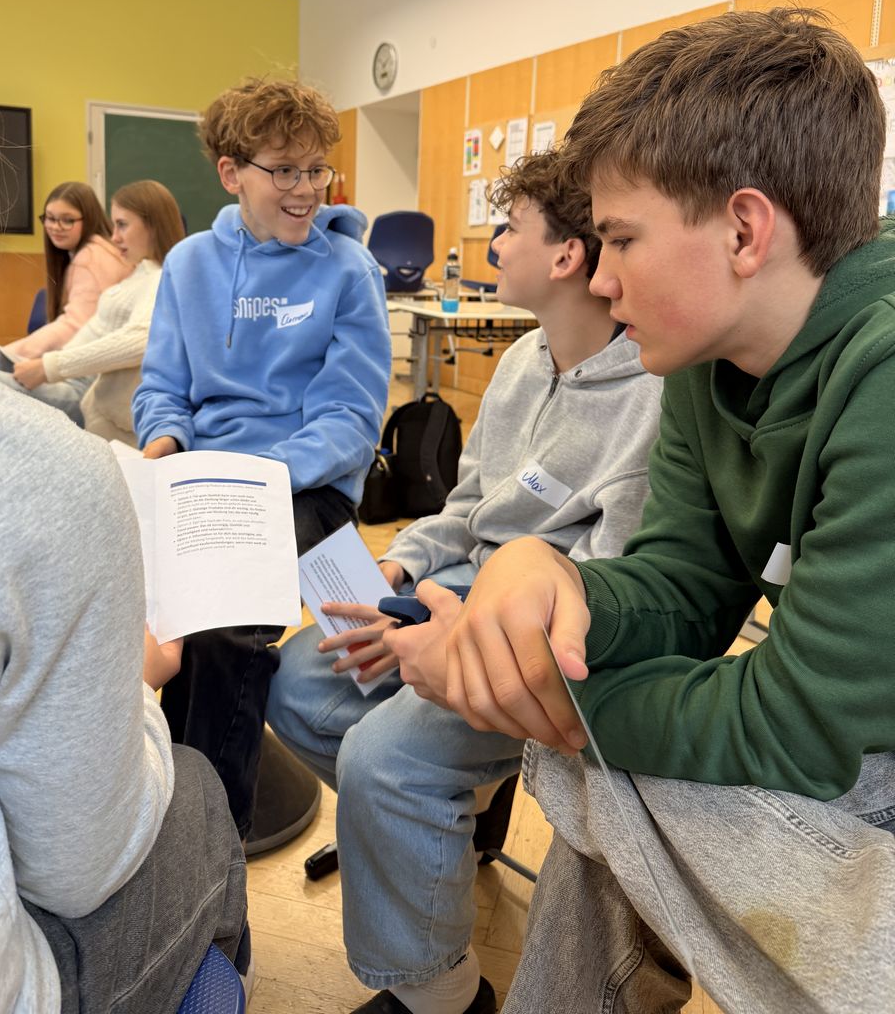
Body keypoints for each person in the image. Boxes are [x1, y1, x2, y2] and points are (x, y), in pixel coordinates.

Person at [424, 9, 895, 1014]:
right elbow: (684, 588)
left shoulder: (884, 368)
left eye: (621, 240)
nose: (600, 279)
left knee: (614, 771)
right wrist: (548, 583)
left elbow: (802, 724)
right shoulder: (704, 352)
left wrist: (547, 705)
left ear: (744, 231)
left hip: (865, 746)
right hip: (856, 722)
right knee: (622, 768)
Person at [267, 147, 665, 1014]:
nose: (491, 247)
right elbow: (469, 503)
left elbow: (608, 587)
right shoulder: (522, 361)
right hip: (455, 582)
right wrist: (402, 562)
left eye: (508, 228)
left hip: (535, 637)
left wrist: (449, 629)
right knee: (296, 682)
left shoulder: (650, 395)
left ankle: (442, 993)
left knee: (382, 761)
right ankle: (450, 819)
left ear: (566, 256)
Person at [0, 22, 249, 1012]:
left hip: (179, 454)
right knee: (193, 788)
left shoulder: (160, 279)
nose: (99, 232)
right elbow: (81, 865)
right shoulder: (32, 478)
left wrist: (41, 370)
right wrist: (139, 691)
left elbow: (123, 350)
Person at [132, 75, 393, 853]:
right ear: (231, 172)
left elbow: (348, 422)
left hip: (305, 488)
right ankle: (158, 799)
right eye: (284, 170)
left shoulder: (349, 271)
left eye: (316, 169)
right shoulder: (188, 265)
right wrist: (162, 450)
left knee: (221, 626)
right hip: (202, 483)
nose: (306, 188)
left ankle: (211, 843)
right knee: (158, 621)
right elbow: (163, 389)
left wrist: (254, 478)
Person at [6, 179, 185, 441]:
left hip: (80, 391)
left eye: (122, 225)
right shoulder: (139, 273)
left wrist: (49, 366)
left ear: (152, 225)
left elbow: (140, 339)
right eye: (114, 225)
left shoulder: (158, 278)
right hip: (79, 388)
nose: (114, 237)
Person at [0, 178, 130, 376]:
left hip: (82, 374)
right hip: (77, 366)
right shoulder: (97, 251)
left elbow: (74, 326)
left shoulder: (91, 258)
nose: (56, 226)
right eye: (50, 218)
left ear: (89, 219)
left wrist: (11, 356)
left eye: (67, 220)